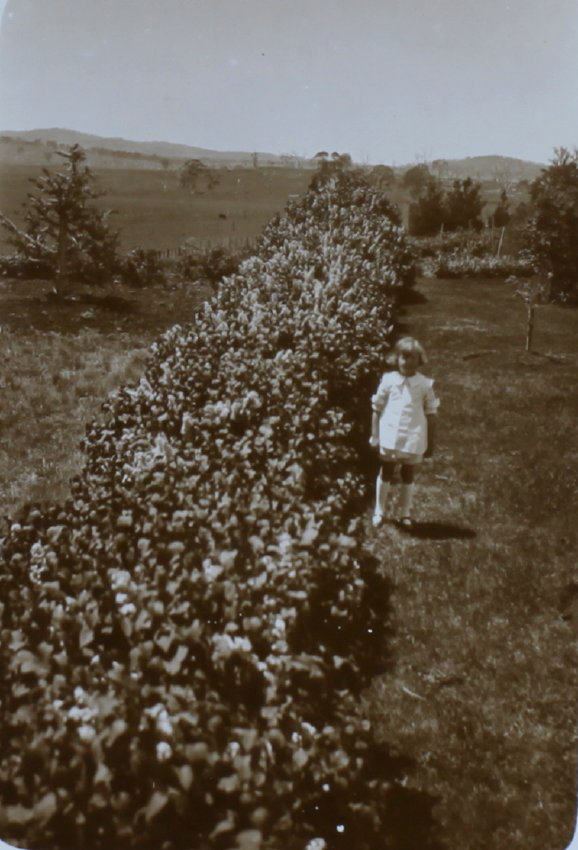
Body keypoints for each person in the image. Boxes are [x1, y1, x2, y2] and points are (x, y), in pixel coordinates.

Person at [369, 336, 439, 528]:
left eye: (413, 358)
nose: (407, 362)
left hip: (412, 435)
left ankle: (405, 513)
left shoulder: (424, 385)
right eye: (404, 357)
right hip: (390, 433)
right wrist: (375, 435)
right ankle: (379, 511)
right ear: (396, 358)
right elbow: (377, 407)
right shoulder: (389, 380)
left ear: (420, 360)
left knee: (408, 472)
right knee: (387, 471)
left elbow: (431, 413)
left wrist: (430, 442)